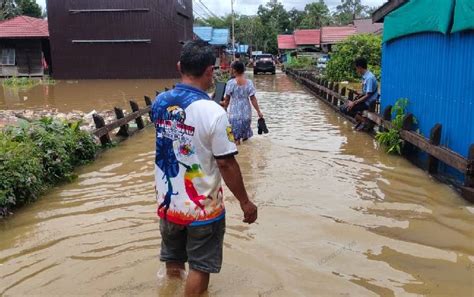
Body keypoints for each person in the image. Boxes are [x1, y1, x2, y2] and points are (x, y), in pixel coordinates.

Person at [151, 40, 258, 297]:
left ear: (180, 67)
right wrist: (245, 202)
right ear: (210, 71)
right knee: (200, 266)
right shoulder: (214, 113)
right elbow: (225, 162)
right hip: (202, 210)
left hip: (168, 204)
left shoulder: (160, 102)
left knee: (174, 262)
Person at [223, 61, 264, 144]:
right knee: (245, 139)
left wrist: (224, 109)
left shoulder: (230, 83)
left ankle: (239, 156)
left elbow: (227, 100)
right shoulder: (249, 82)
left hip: (234, 115)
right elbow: (253, 99)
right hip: (246, 115)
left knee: (234, 140)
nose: (230, 70)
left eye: (231, 68)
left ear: (234, 70)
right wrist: (259, 112)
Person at [340, 57, 379, 131]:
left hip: (368, 103)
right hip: (364, 101)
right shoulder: (365, 77)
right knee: (342, 107)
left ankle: (365, 122)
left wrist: (354, 103)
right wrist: (357, 93)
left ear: (359, 67)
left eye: (356, 68)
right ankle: (361, 120)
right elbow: (366, 92)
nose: (356, 70)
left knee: (346, 109)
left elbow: (368, 95)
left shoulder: (369, 78)